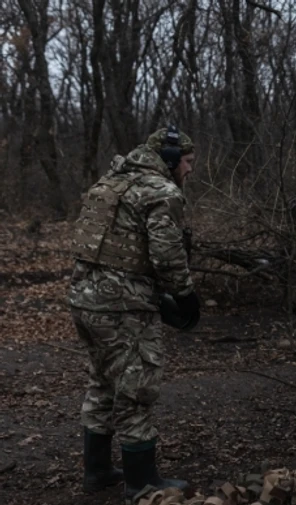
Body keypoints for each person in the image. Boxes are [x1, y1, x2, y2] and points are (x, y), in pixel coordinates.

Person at [69, 126, 199, 499]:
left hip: (83, 297)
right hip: (123, 306)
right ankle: (142, 483)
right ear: (171, 160)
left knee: (101, 383)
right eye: (188, 162)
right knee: (136, 388)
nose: (190, 170)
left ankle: (96, 472)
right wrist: (186, 295)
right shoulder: (161, 191)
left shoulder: (109, 183)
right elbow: (166, 254)